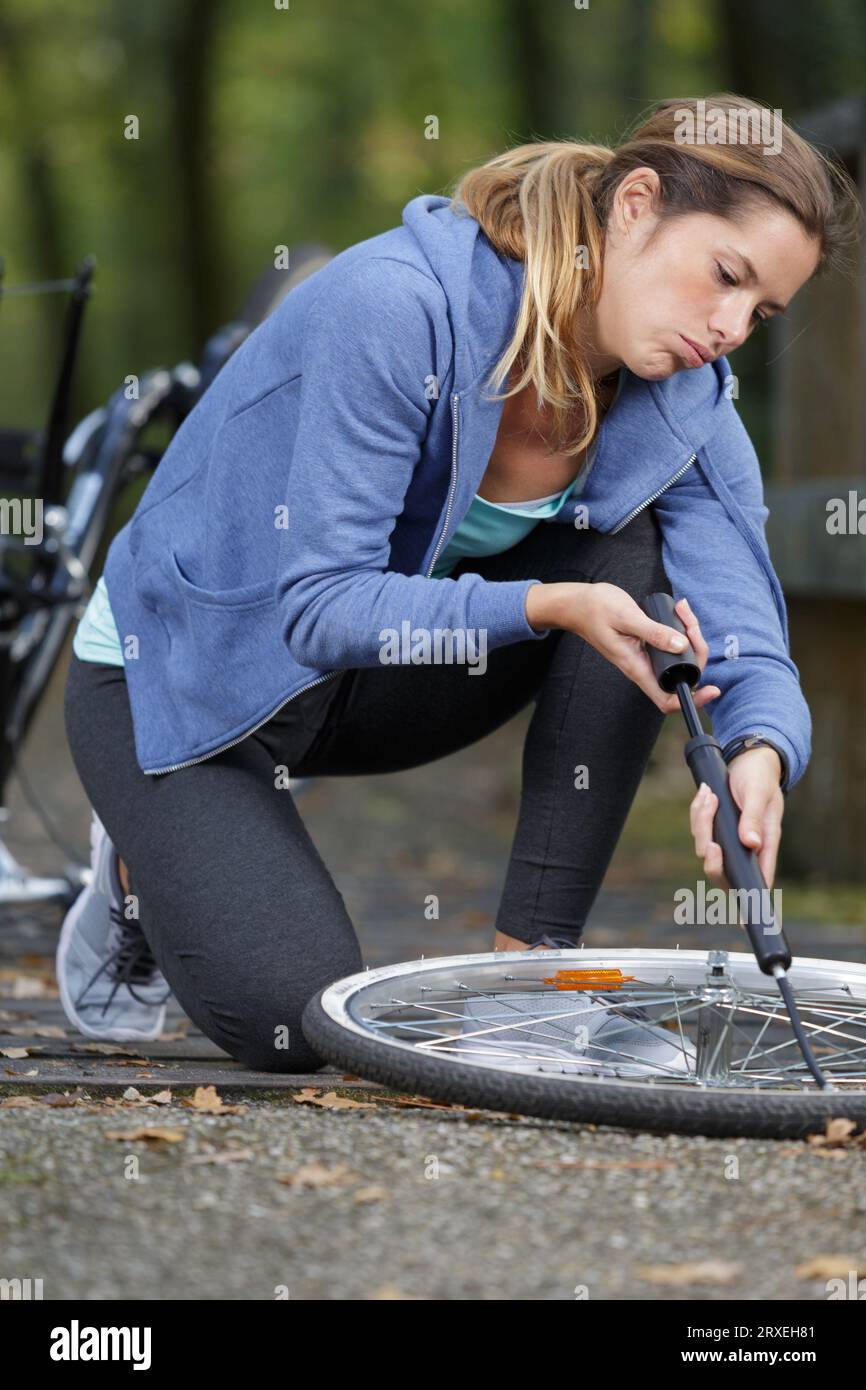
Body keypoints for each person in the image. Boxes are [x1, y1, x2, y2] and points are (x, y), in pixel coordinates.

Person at [57, 94, 858, 1073]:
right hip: (182, 679)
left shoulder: (684, 397)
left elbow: (741, 624)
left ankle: (529, 996)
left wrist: (760, 752)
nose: (730, 325)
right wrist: (545, 605)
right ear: (637, 203)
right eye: (723, 277)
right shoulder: (398, 306)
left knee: (629, 572)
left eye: (760, 310)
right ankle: (141, 866)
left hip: (378, 684)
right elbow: (319, 607)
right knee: (293, 1021)